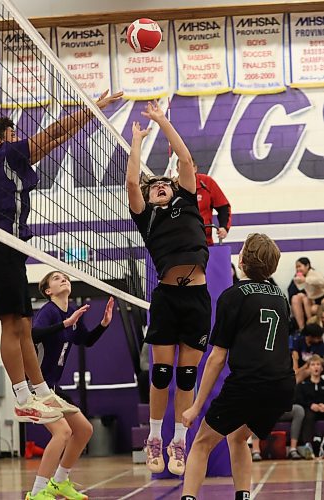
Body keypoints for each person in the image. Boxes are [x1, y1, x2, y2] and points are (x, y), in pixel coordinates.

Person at [0, 90, 123, 425]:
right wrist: (92, 108)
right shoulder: (7, 153)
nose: (20, 137)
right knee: (13, 325)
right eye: (14, 132)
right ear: (2, 140)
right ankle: (23, 398)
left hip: (10, 248)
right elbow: (54, 132)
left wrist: (88, 118)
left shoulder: (11, 158)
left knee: (24, 325)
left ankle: (41, 392)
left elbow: (56, 139)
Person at [127, 100, 211, 476]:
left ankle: (179, 441)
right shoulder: (146, 218)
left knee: (188, 376)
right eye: (155, 186)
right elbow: (132, 181)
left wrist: (162, 121)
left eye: (165, 183)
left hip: (196, 295)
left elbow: (187, 161)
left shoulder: (188, 200)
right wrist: (137, 142)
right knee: (161, 373)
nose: (160, 186)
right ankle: (155, 439)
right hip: (166, 296)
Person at [181, 233, 295, 500]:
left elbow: (217, 357)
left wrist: (196, 405)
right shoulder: (281, 297)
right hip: (281, 386)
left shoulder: (232, 296)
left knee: (201, 443)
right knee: (238, 437)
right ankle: (243, 496)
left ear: (242, 260)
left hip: (249, 383)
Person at [25, 270, 114, 500]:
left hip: (51, 388)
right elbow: (32, 335)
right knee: (63, 432)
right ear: (48, 291)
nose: (63, 279)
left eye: (65, 277)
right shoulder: (49, 311)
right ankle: (36, 494)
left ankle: (60, 482)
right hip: (34, 387)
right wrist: (65, 323)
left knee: (84, 430)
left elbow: (86, 341)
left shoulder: (73, 311)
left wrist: (104, 325)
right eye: (56, 278)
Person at [176, 159, 231, 246]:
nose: (186, 170)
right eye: (183, 168)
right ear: (177, 170)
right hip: (180, 243)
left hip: (205, 242)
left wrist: (224, 227)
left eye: (189, 167)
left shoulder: (207, 183)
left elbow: (223, 207)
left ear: (195, 168)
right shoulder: (172, 187)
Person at [295, 354, 324, 459]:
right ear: (309, 368)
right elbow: (298, 400)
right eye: (313, 364)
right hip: (310, 410)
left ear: (321, 368)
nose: (316, 367)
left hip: (322, 410)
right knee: (308, 416)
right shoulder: (303, 384)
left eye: (318, 364)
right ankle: (307, 446)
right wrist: (311, 405)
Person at [288, 257, 324, 331]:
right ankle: (302, 328)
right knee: (297, 298)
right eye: (296, 267)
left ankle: (310, 324)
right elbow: (298, 289)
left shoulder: (313, 273)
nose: (298, 269)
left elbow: (321, 282)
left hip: (320, 300)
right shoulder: (299, 277)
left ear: (307, 266)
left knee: (307, 301)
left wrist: (305, 280)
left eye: (299, 266)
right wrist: (297, 282)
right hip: (310, 300)